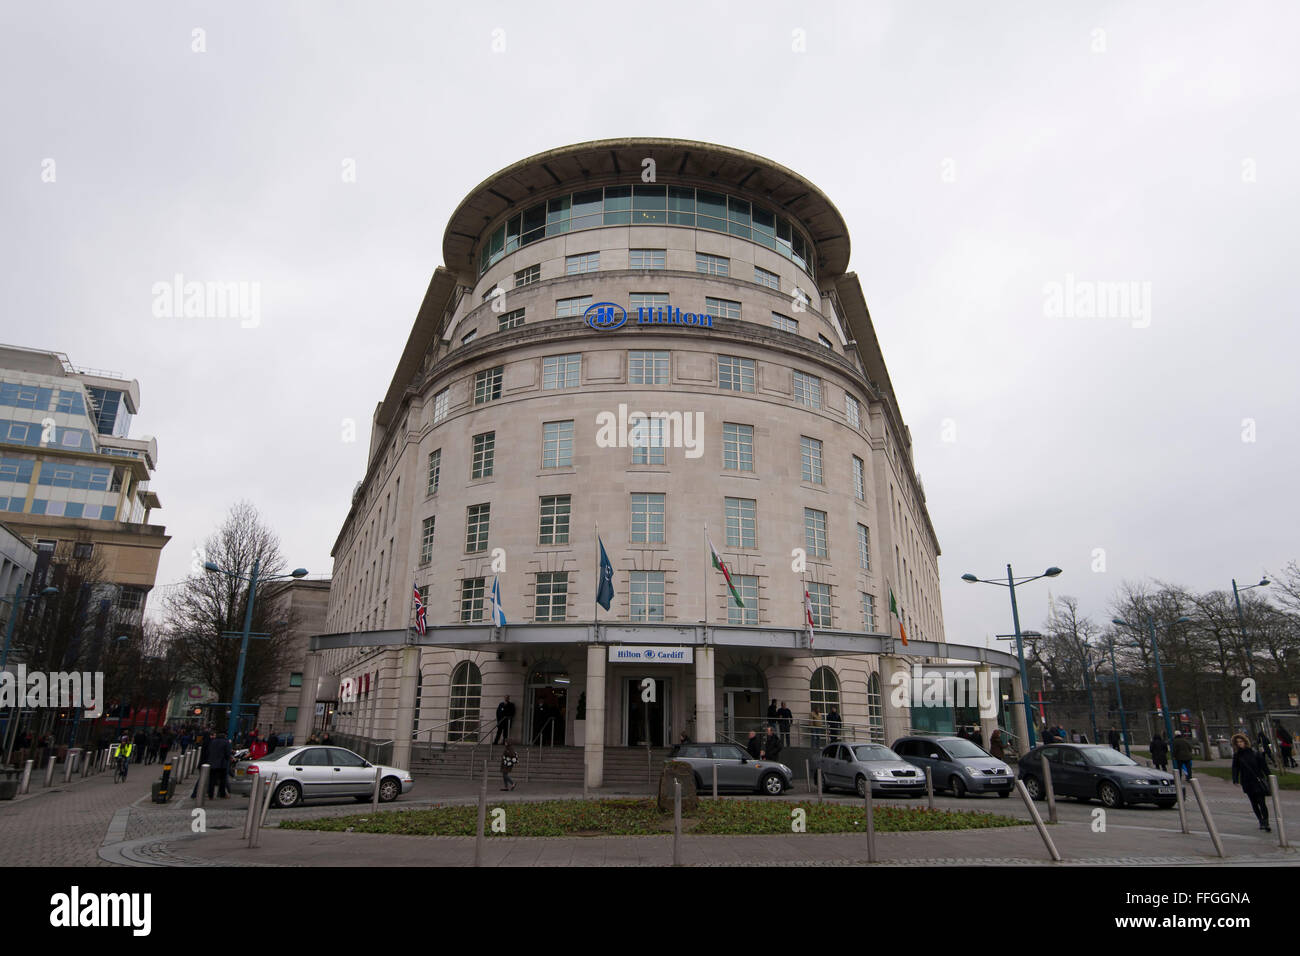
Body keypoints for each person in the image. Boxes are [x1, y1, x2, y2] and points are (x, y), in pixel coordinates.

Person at [1230, 733, 1271, 831]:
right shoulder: (1237, 756)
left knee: (1262, 802)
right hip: (1247, 781)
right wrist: (1235, 779)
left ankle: (1266, 821)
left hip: (1257, 780)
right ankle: (1260, 821)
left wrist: (1269, 776)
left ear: (1245, 741)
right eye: (1238, 742)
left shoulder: (1255, 753)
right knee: (1254, 802)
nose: (1240, 744)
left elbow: (1264, 766)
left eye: (1241, 741)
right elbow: (1235, 768)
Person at [207, 731, 232, 799]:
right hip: (222, 763)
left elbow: (209, 751)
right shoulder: (226, 742)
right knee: (222, 780)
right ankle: (222, 794)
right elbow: (227, 753)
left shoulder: (213, 742)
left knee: (212, 780)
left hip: (212, 763)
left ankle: (210, 794)